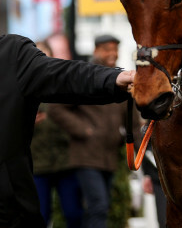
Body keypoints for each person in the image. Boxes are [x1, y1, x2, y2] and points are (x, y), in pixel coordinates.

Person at [0, 33, 134, 228]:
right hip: (57, 164)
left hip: (69, 163)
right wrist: (85, 130)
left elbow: (65, 75)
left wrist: (115, 78)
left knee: (77, 212)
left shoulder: (10, 56)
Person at [48, 34, 140, 228]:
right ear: (95, 51)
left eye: (115, 49)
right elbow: (56, 108)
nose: (112, 53)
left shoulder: (121, 79)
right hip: (86, 155)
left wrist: (139, 148)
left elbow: (132, 121)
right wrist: (84, 130)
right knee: (98, 206)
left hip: (108, 157)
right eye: (107, 49)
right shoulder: (86, 77)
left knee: (97, 208)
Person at [31, 39, 83, 227]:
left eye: (45, 55)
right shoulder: (23, 86)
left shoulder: (63, 83)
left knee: (74, 213)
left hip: (65, 161)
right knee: (41, 216)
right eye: (37, 55)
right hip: (36, 165)